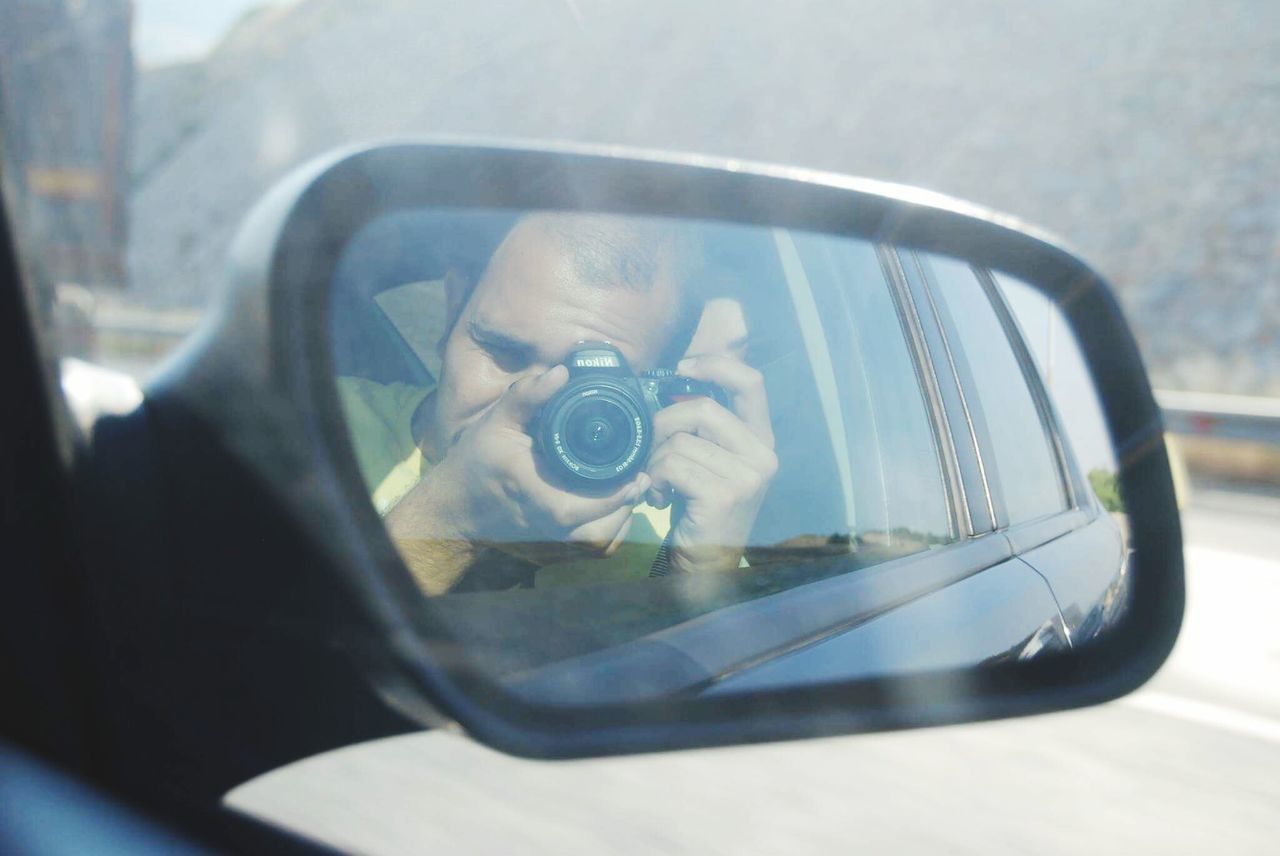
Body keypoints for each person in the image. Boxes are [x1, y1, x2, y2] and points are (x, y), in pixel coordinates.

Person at [339, 212, 777, 595]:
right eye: (503, 352)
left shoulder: (677, 530)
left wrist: (700, 582)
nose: (530, 403)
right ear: (454, 308)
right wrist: (450, 520)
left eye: (591, 385)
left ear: (649, 394)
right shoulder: (318, 432)